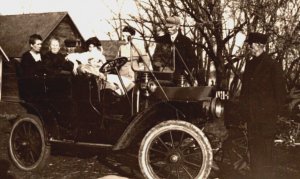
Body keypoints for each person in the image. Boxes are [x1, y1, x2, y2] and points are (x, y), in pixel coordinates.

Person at [240, 32, 286, 178]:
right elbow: (244, 91)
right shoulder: (249, 64)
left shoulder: (273, 65)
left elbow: (280, 93)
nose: (249, 48)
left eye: (251, 45)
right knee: (254, 150)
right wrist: (243, 112)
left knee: (267, 151)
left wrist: (278, 114)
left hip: (267, 118)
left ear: (260, 45)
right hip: (252, 117)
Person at [154, 16, 199, 86]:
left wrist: (187, 72)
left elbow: (192, 59)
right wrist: (160, 68)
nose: (168, 29)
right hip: (164, 77)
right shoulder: (161, 40)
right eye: (167, 27)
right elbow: (156, 57)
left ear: (177, 27)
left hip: (181, 77)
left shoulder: (186, 41)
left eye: (171, 27)